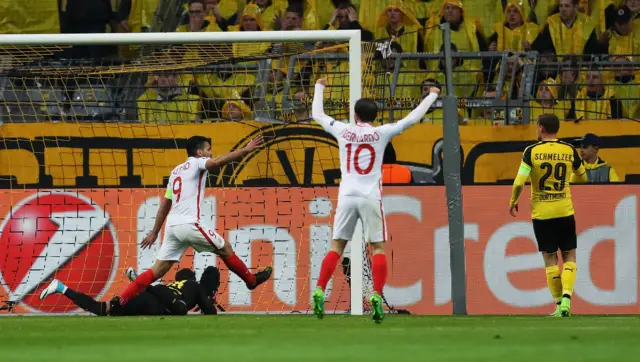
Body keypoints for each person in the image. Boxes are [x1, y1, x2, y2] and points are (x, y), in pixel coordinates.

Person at [310, 78, 440, 323]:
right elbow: (412, 119)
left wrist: (319, 87)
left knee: (337, 246)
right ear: (375, 116)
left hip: (347, 194)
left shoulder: (343, 130)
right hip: (370, 195)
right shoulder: (382, 132)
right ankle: (377, 295)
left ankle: (319, 288)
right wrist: (431, 96)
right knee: (378, 248)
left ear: (355, 115)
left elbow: (316, 113)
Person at [110, 135, 272, 311]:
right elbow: (217, 163)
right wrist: (246, 150)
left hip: (172, 227)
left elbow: (166, 203)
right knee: (225, 248)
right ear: (200, 152)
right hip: (188, 224)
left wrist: (155, 231)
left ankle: (121, 300)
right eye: (208, 150)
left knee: (156, 270)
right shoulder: (197, 163)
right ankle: (251, 281)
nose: (211, 153)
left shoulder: (175, 172)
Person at [508, 114, 588, 317]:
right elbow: (583, 176)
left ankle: (559, 304)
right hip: (564, 210)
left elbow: (519, 182)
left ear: (541, 128)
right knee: (569, 255)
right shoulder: (569, 149)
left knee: (550, 259)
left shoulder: (531, 151)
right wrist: (565, 183)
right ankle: (567, 301)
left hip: (542, 213)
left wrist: (513, 201)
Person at [39, 267, 221, 316]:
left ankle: (61, 287)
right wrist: (210, 300)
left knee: (102, 309)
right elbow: (210, 311)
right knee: (180, 309)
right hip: (160, 300)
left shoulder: (182, 284)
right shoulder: (196, 286)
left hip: (151, 298)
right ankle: (140, 281)